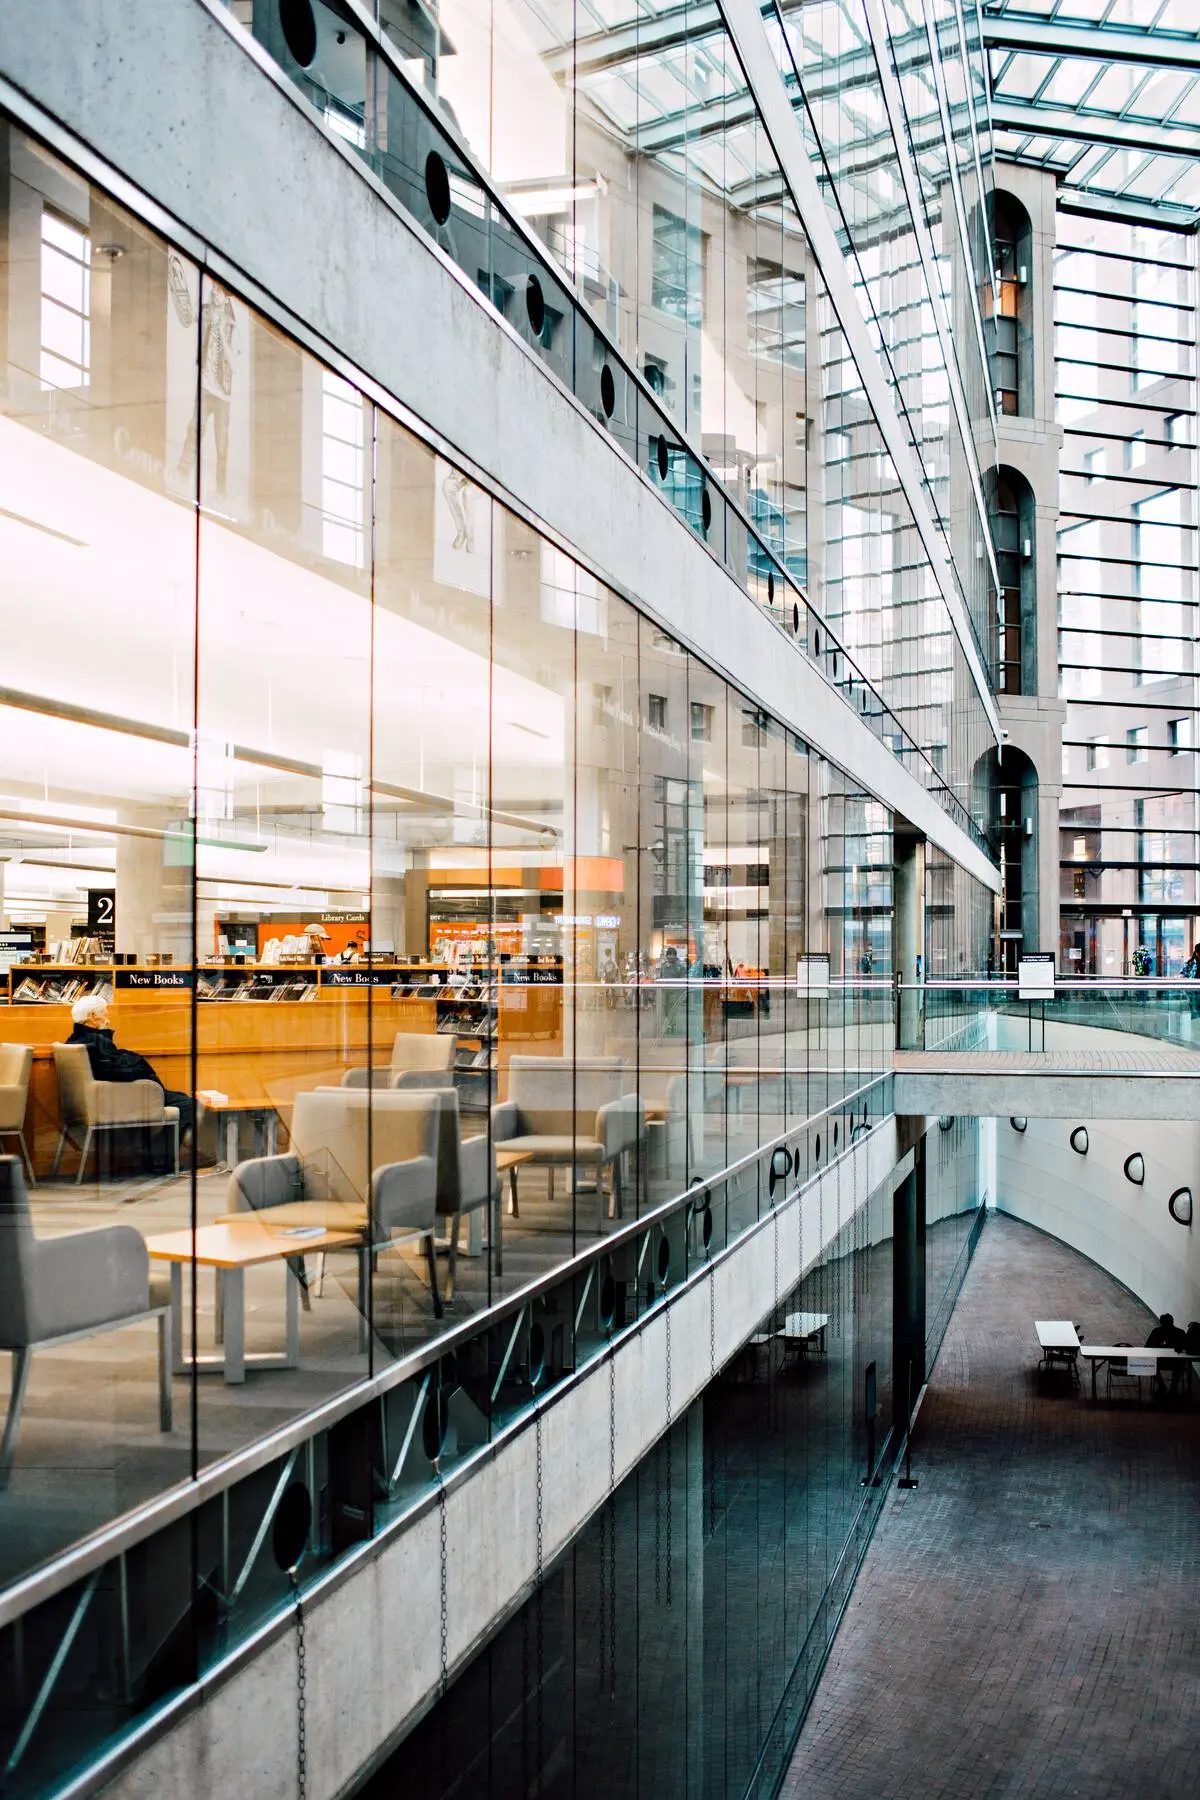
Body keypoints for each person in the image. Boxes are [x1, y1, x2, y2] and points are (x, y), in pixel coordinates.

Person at [67, 994, 194, 1143]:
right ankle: (160, 1158)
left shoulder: (75, 1039)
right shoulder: (95, 1041)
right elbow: (120, 1073)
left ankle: (156, 1155)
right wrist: (138, 1061)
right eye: (104, 1012)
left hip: (106, 1099)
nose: (108, 1016)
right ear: (93, 1016)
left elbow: (113, 1067)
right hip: (122, 1099)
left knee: (182, 1099)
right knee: (190, 1104)